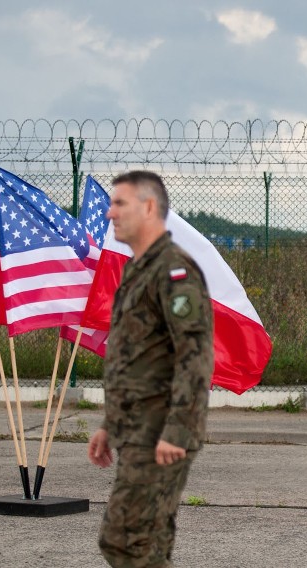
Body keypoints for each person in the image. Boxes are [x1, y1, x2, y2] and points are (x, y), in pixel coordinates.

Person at [87, 171, 213, 567]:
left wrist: (177, 429)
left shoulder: (174, 271)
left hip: (161, 432)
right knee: (146, 544)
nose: (110, 213)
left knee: (126, 542)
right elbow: (132, 359)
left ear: (149, 207)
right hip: (138, 429)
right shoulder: (139, 270)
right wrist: (111, 424)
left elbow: (194, 356)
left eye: (119, 203)